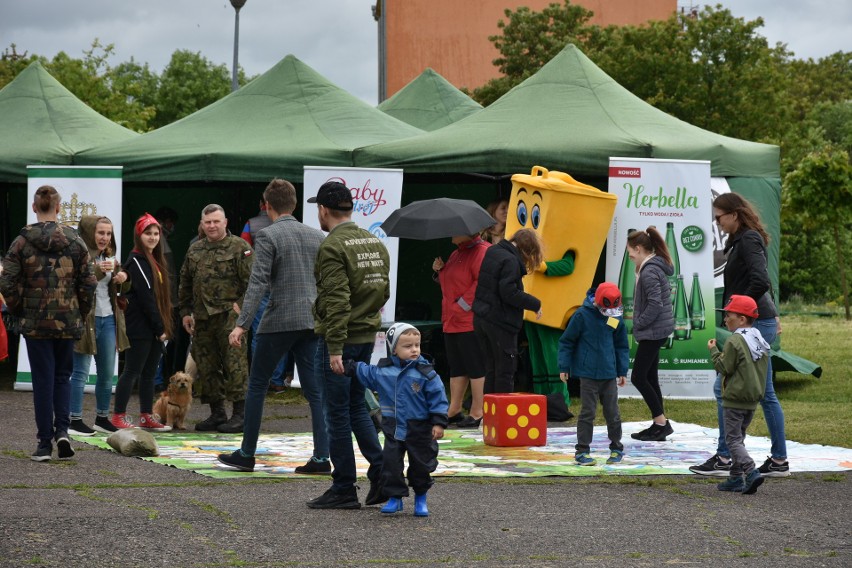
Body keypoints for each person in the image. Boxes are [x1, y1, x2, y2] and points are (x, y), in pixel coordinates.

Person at [216, 179, 329, 474]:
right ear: (294, 203)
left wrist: (241, 324)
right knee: (314, 390)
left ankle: (246, 453)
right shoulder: (316, 236)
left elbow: (258, 283)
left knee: (257, 385)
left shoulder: (267, 235)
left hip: (279, 319)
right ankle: (321, 457)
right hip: (310, 320)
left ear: (267, 205)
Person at [691, 193, 789, 478]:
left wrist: (740, 311)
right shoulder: (741, 240)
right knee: (765, 394)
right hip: (759, 320)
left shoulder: (748, 239)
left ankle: (727, 456)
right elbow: (758, 282)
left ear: (734, 214)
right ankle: (775, 459)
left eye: (719, 217)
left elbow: (761, 280)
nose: (717, 223)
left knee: (726, 388)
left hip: (756, 324)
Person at [306, 181, 389, 510]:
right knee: (356, 407)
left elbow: (337, 301)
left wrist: (336, 348)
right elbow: (382, 293)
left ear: (324, 210)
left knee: (336, 414)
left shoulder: (332, 247)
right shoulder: (374, 242)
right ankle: (382, 471)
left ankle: (343, 487)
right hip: (366, 337)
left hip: (339, 340)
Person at [0, 185, 96, 461]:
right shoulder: (75, 241)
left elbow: (6, 281)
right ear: (59, 207)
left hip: (36, 322)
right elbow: (88, 283)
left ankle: (44, 444)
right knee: (63, 377)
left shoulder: (21, 242)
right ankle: (63, 431)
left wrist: (20, 309)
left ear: (34, 207)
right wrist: (81, 311)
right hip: (67, 322)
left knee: (42, 381)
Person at [344, 322, 449, 516]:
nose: (414, 350)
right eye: (408, 346)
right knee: (390, 464)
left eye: (417, 345)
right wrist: (350, 365)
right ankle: (395, 498)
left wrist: (438, 422)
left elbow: (438, 398)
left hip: (419, 427)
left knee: (421, 465)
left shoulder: (426, 373)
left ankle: (420, 498)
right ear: (393, 349)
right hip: (393, 426)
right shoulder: (383, 371)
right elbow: (366, 372)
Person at [179, 204, 254, 433]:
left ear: (225, 222)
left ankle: (240, 415)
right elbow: (185, 283)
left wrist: (241, 308)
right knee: (207, 365)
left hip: (230, 317)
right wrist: (184, 312)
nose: (212, 226)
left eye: (216, 221)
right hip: (202, 318)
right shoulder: (195, 250)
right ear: (202, 224)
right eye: (208, 222)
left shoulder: (240, 247)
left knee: (235, 365)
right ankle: (217, 413)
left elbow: (253, 283)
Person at [110, 213, 173, 431]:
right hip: (141, 326)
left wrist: (162, 325)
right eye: (148, 233)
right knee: (132, 371)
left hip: (154, 324)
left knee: (149, 373)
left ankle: (146, 415)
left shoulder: (154, 259)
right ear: (139, 235)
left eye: (156, 233)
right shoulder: (136, 259)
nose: (153, 237)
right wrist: (159, 328)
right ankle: (118, 416)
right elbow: (146, 298)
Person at [68, 216, 130, 436]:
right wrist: (99, 271)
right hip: (85, 320)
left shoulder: (110, 256)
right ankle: (74, 420)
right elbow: (76, 286)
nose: (105, 238)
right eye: (100, 232)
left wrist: (123, 276)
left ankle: (102, 418)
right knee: (80, 372)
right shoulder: (78, 255)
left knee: (106, 373)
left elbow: (122, 288)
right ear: (88, 232)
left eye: (108, 233)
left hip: (109, 318)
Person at [558, 283, 629, 466]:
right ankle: (582, 451)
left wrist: (622, 370)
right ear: (598, 302)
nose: (610, 312)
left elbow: (621, 345)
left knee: (612, 412)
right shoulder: (582, 315)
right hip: (588, 374)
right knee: (587, 412)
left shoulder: (616, 317)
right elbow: (567, 342)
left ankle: (616, 448)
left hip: (609, 373)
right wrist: (564, 367)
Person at [708, 295, 770, 494]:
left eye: (729, 315)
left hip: (734, 399)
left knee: (732, 440)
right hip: (752, 399)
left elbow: (724, 367)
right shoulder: (758, 338)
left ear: (742, 319)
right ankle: (735, 478)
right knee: (738, 439)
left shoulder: (734, 340)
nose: (725, 319)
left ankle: (751, 470)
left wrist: (713, 351)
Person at [473, 228, 543, 395]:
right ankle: (502, 417)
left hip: (482, 317)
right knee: (505, 370)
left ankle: (489, 416)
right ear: (526, 249)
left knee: (491, 368)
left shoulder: (493, 251)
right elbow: (509, 293)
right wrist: (535, 304)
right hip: (500, 322)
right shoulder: (511, 261)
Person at [431, 233, 490, 428]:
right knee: (457, 366)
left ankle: (478, 411)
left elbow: (480, 284)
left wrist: (460, 306)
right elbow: (452, 283)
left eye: (455, 230)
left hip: (469, 320)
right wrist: (440, 271)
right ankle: (454, 409)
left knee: (475, 366)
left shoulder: (482, 251)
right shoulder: (456, 254)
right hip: (451, 319)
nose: (450, 233)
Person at [625, 227, 676, 442]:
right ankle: (659, 424)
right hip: (657, 330)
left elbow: (655, 303)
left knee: (638, 376)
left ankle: (661, 422)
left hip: (654, 331)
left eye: (630, 253)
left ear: (638, 249)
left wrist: (639, 324)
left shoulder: (648, 271)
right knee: (650, 376)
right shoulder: (651, 267)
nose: (629, 257)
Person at [239, 196, 289, 393]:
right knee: (282, 334)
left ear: (262, 205)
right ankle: (277, 381)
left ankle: (259, 380)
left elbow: (243, 253)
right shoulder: (288, 226)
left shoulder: (250, 224)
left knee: (259, 335)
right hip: (283, 286)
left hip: (260, 285)